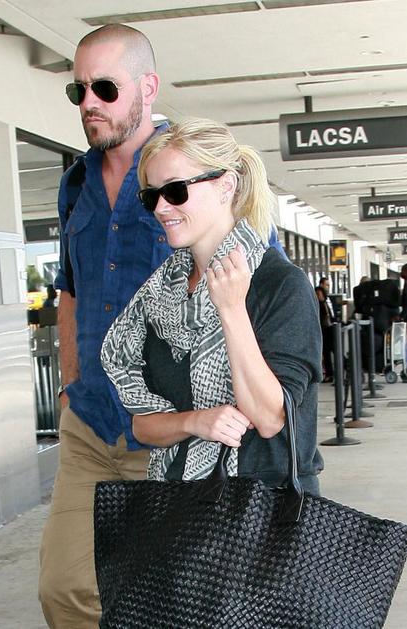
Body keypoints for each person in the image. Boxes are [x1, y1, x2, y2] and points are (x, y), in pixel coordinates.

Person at [102, 117, 323, 497]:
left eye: (175, 191)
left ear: (226, 185)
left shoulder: (279, 284)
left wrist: (232, 309)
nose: (161, 207)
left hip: (267, 508)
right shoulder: (160, 296)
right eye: (151, 196)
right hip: (180, 503)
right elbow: (143, 424)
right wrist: (194, 422)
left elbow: (270, 418)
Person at [38, 24, 173, 629]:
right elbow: (68, 289)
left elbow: (256, 283)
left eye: (105, 88)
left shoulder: (197, 171)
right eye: (79, 91)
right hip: (90, 423)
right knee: (64, 590)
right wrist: (70, 383)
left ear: (147, 87)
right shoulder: (76, 183)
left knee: (166, 603)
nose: (89, 102)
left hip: (173, 431)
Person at [315, 277, 335, 382]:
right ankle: (330, 373)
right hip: (325, 330)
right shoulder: (322, 304)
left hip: (326, 330)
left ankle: (330, 373)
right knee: (327, 353)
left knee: (328, 352)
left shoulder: (324, 303)